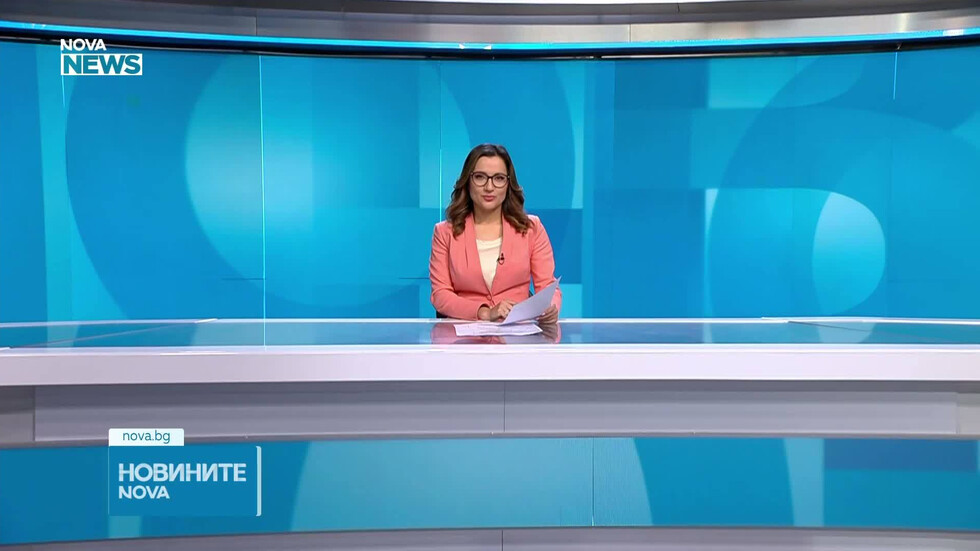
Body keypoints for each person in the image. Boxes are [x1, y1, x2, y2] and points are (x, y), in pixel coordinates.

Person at [429, 143, 561, 322]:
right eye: (480, 177)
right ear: (467, 182)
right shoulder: (445, 232)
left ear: (508, 184)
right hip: (463, 333)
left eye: (498, 178)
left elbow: (547, 285)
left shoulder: (531, 228)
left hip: (517, 331)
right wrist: (485, 312)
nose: (489, 187)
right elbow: (440, 294)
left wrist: (550, 307)